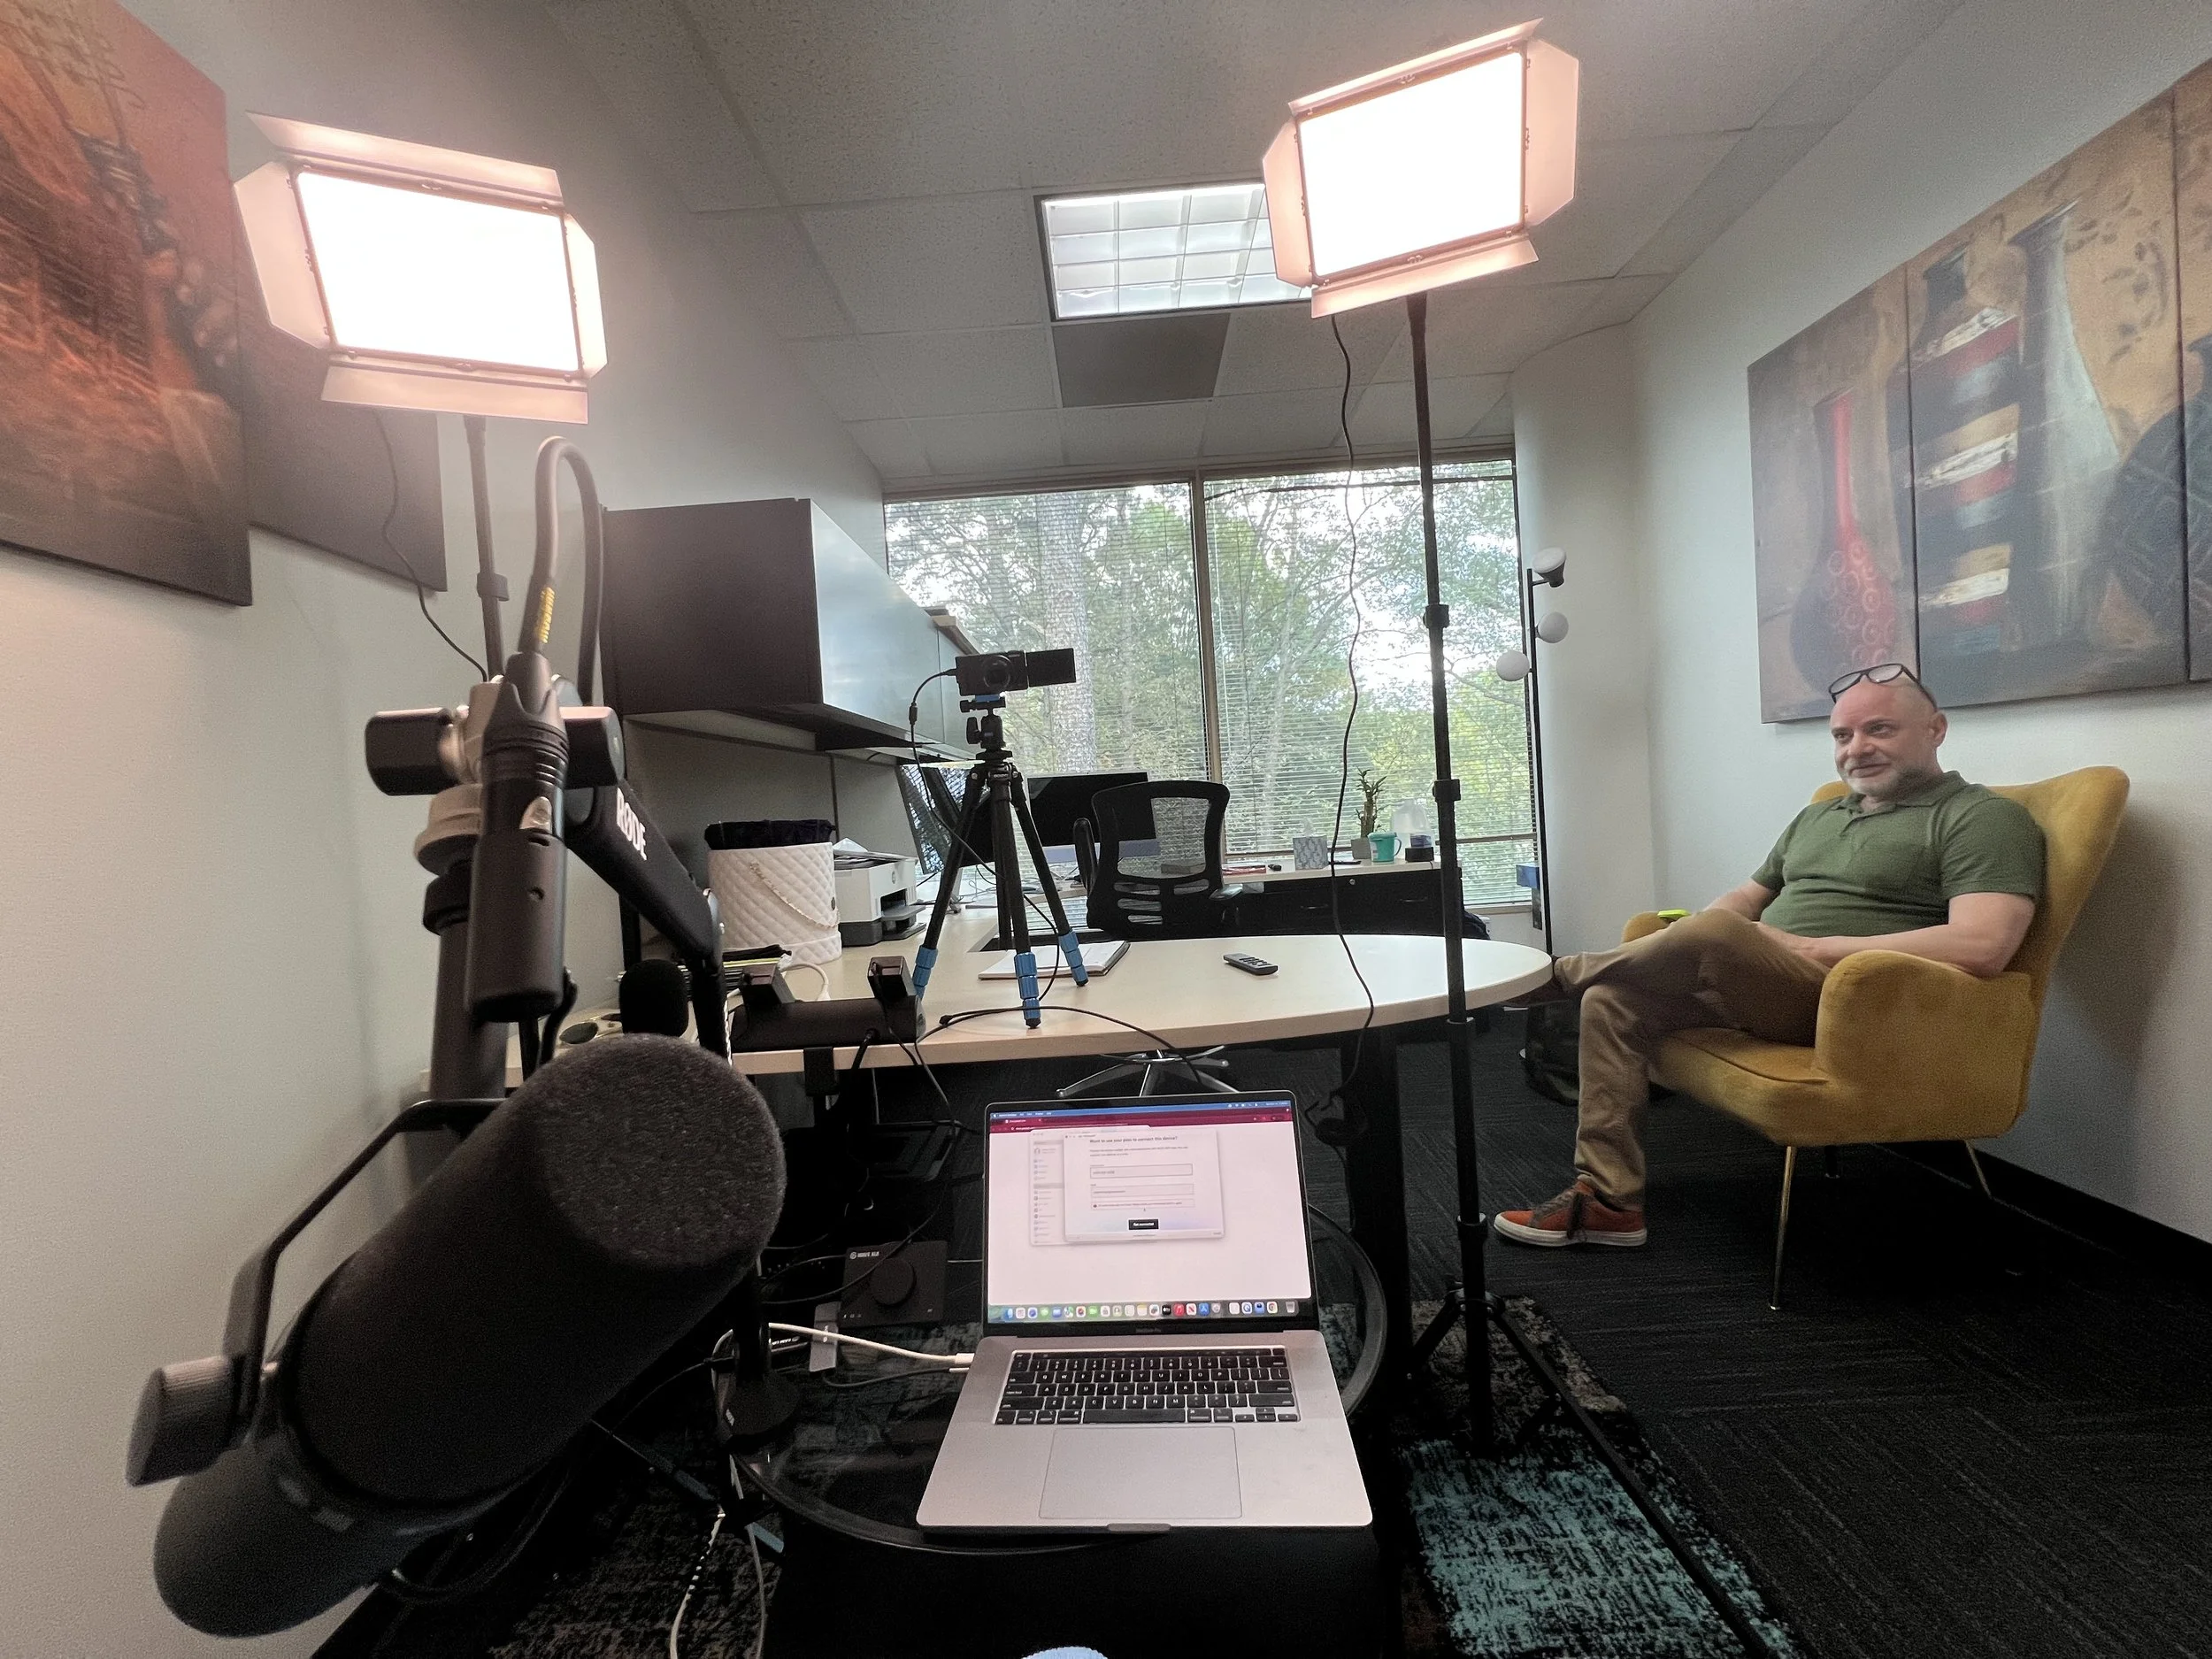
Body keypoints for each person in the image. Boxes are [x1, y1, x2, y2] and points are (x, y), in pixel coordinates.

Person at [1494, 663, 2045, 1249]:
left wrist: (1814, 948)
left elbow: (1984, 945)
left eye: (1879, 729)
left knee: (1716, 933)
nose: (1856, 748)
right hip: (1764, 986)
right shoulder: (1820, 815)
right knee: (1613, 999)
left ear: (1936, 729)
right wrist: (1697, 940)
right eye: (1842, 735)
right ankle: (1608, 1201)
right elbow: (1745, 899)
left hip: (1855, 1004)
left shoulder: (1980, 818)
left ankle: (1555, 976)